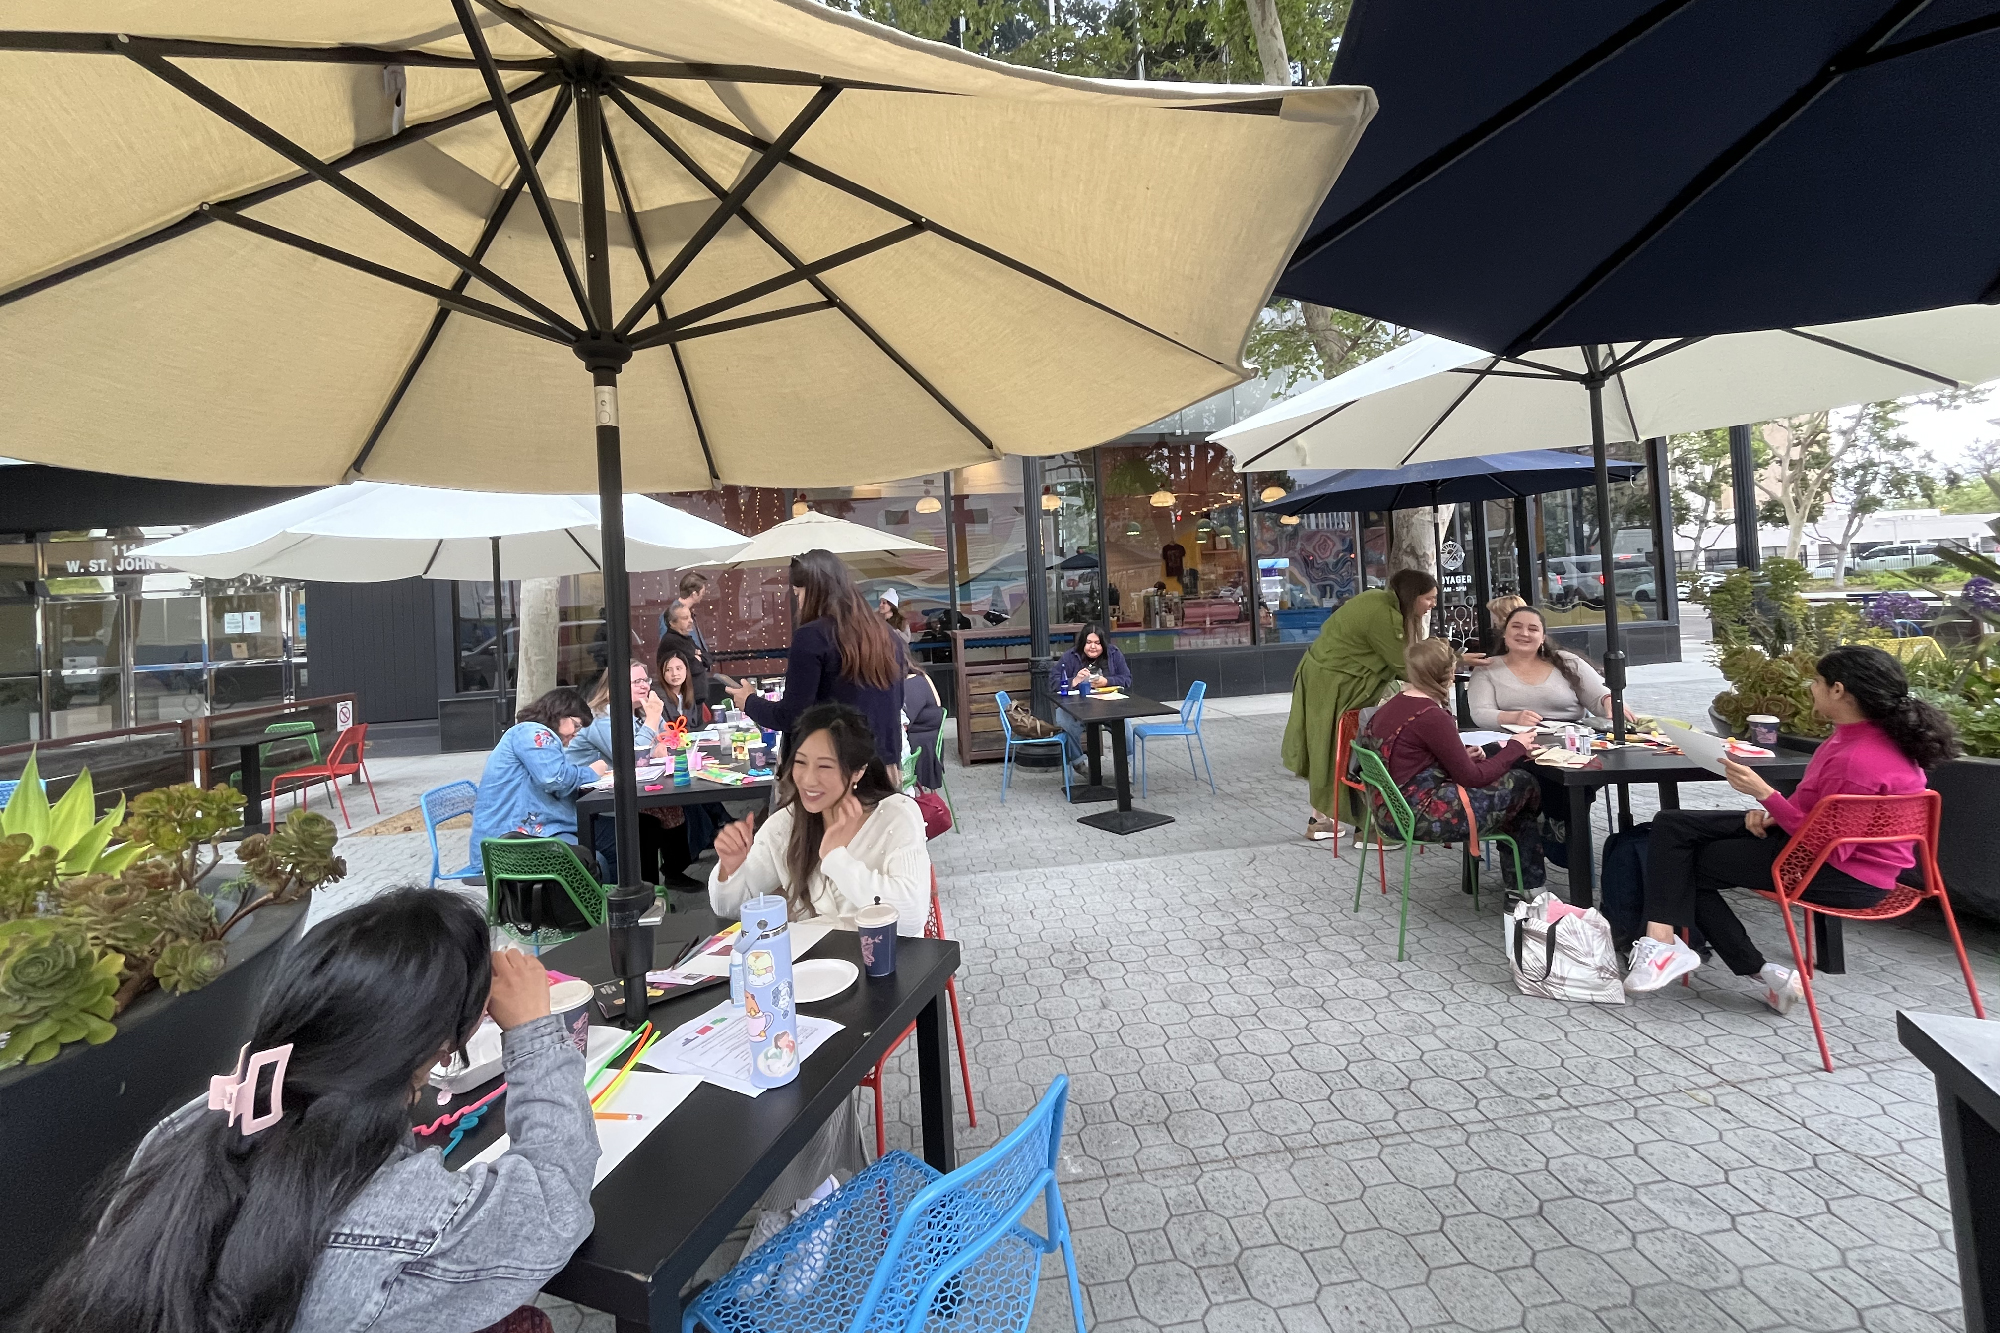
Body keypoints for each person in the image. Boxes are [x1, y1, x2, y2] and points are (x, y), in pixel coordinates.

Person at [27, 888, 597, 1333]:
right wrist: (532, 1032)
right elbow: (555, 1202)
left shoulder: (192, 1126)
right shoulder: (410, 1211)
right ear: (448, 1040)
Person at [1623, 645, 1960, 1009]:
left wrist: (1766, 795)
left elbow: (1828, 843)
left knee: (1682, 863)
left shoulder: (1858, 759)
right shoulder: (1864, 738)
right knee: (1673, 824)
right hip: (1831, 852)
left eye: (1817, 681)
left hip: (1843, 875)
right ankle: (1675, 946)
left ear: (1838, 690)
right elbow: (1816, 807)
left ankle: (1702, 955)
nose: (1810, 687)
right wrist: (1774, 813)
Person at [710, 702, 929, 934]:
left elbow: (909, 919)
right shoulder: (787, 823)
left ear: (858, 771)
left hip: (887, 964)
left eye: (824, 766)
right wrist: (731, 868)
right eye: (801, 763)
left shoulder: (896, 815)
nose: (808, 779)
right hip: (816, 965)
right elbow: (730, 909)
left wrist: (836, 858)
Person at [1359, 637, 1544, 893]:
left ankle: (1523, 887)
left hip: (1388, 811)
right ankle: (1527, 888)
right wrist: (1516, 747)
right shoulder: (1431, 715)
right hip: (1419, 815)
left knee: (1510, 794)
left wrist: (1462, 755)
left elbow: (1410, 757)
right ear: (1448, 675)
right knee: (1523, 784)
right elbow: (1473, 778)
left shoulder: (1392, 706)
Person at [1283, 569, 1438, 843]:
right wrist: (1455, 662)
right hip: (1336, 684)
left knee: (1328, 747)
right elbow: (1405, 667)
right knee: (1348, 747)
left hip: (1323, 677)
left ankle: (1321, 820)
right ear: (1412, 597)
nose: (1433, 605)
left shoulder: (1376, 599)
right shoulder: (1383, 615)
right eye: (1428, 599)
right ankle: (1367, 827)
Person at [727, 549, 908, 770]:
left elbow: (793, 716)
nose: (799, 603)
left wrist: (750, 702)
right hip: (884, 769)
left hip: (835, 770)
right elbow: (895, 703)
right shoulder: (887, 635)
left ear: (813, 592)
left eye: (798, 593)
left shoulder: (812, 637)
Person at [466, 688, 605, 877]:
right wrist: (591, 773)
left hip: (524, 833)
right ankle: (597, 905)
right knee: (597, 858)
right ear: (560, 713)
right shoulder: (533, 733)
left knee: (613, 839)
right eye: (576, 726)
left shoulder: (531, 735)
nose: (576, 734)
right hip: (509, 843)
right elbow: (555, 779)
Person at [567, 663, 666, 885]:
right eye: (636, 681)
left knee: (653, 821)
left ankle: (652, 891)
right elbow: (631, 758)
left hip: (608, 795)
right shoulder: (602, 716)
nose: (643, 686)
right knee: (642, 827)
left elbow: (668, 739)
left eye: (645, 680)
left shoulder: (633, 712)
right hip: (584, 804)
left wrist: (656, 719)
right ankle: (637, 895)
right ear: (615, 686)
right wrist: (652, 720)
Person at [1467, 606, 1612, 730]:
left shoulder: (1567, 661)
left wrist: (1608, 701)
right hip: (1513, 744)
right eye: (1516, 626)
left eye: (1533, 629)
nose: (1524, 633)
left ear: (1543, 638)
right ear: (1504, 633)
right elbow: (1480, 713)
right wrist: (1514, 717)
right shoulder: (1486, 668)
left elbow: (1598, 699)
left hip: (1570, 741)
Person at [1054, 623, 1132, 774]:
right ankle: (1078, 763)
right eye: (1089, 643)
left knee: (1125, 724)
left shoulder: (1114, 654)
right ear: (1083, 643)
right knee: (1062, 719)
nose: (1093, 647)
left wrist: (1107, 681)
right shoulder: (1070, 656)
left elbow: (1127, 678)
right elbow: (1053, 682)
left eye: (1097, 643)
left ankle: (1124, 766)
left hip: (1110, 708)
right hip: (1078, 710)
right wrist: (1074, 681)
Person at [657, 599, 714, 707]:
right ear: (672, 623)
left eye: (690, 616)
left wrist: (699, 657)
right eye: (685, 618)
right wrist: (697, 657)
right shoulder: (672, 640)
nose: (691, 621)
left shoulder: (686, 639)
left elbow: (708, 658)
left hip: (695, 700)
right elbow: (695, 667)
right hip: (684, 702)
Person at [902, 665, 946, 789]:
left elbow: (904, 722)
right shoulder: (921, 677)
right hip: (931, 744)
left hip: (921, 748)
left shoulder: (912, 683)